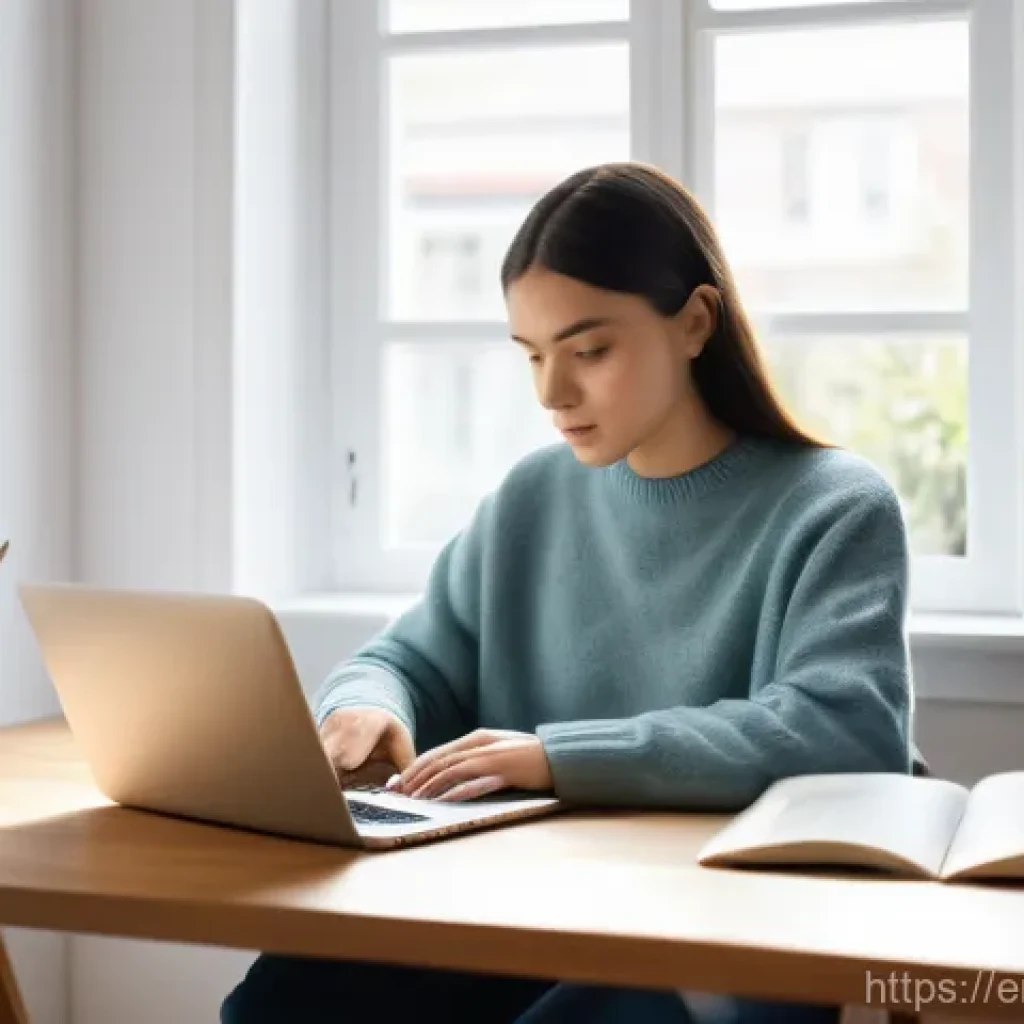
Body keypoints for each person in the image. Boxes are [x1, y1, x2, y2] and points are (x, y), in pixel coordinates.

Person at [221, 162, 913, 1023]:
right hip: (511, 913)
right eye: (534, 356)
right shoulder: (530, 498)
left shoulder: (833, 506)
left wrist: (556, 756)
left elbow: (846, 729)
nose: (553, 393)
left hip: (712, 942)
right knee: (287, 995)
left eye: (589, 351)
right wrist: (363, 704)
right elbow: (407, 657)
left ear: (695, 322)